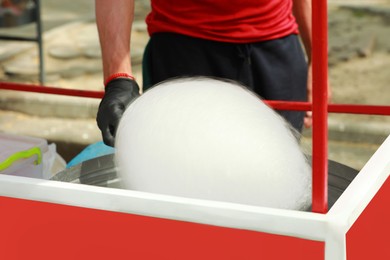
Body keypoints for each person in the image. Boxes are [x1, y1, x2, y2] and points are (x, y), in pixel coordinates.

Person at [95, 0, 314, 147]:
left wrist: (317, 60)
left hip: (277, 50)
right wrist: (118, 78)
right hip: (183, 47)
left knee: (278, 179)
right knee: (184, 183)